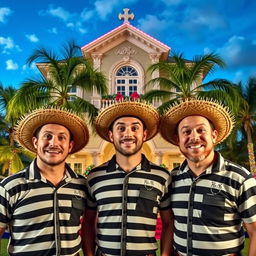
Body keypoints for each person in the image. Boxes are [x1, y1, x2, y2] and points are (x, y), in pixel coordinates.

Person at [160, 98, 256, 256]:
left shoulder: (239, 178)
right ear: (178, 140)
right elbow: (170, 224)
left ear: (214, 135)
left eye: (200, 130)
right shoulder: (173, 179)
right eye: (186, 132)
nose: (194, 137)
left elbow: (254, 232)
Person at [83, 101, 173, 256]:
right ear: (111, 135)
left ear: (144, 134)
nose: (128, 134)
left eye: (135, 128)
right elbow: (88, 223)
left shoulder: (162, 176)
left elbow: (168, 223)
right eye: (121, 128)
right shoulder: (94, 177)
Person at [0, 108, 90, 256]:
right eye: (47, 136)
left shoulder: (82, 185)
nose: (54, 143)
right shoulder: (10, 187)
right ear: (36, 142)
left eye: (62, 138)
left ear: (70, 146)